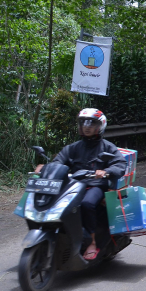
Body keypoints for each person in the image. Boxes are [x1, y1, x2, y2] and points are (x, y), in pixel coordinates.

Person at [36, 109, 127, 261]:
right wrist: (45, 168)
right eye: (84, 123)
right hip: (74, 186)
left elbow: (120, 164)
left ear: (101, 126)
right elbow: (58, 161)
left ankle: (91, 242)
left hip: (96, 186)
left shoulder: (107, 147)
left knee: (86, 203)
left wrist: (105, 171)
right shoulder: (73, 148)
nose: (87, 126)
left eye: (92, 123)